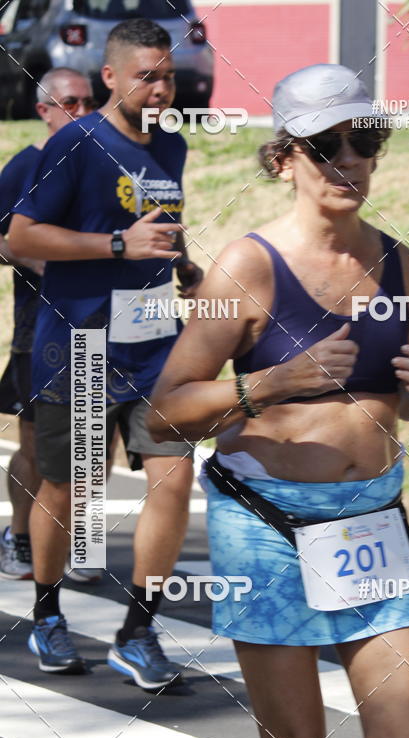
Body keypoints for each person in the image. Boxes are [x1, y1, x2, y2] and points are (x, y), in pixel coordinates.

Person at [148, 64, 409, 738]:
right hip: (268, 525)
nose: (350, 160)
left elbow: (403, 398)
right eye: (327, 145)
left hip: (369, 524)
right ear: (285, 157)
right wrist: (267, 384)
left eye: (368, 141)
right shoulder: (247, 266)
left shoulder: (398, 262)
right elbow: (163, 411)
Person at [8, 18, 203, 689]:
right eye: (146, 75)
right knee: (68, 487)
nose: (160, 88)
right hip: (82, 344)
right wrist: (116, 247)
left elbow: (166, 230)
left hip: (157, 348)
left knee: (174, 479)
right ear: (111, 78)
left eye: (168, 75)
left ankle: (138, 629)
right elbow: (21, 236)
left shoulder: (172, 148)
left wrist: (189, 271)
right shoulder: (76, 144)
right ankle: (47, 614)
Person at [0, 67, 97, 580]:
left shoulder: (105, 162)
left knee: (90, 444)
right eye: (71, 103)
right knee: (37, 444)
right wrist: (36, 259)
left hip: (98, 328)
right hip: (38, 334)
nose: (83, 111)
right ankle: (18, 536)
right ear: (44, 110)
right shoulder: (26, 166)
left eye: (88, 102)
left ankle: (81, 540)